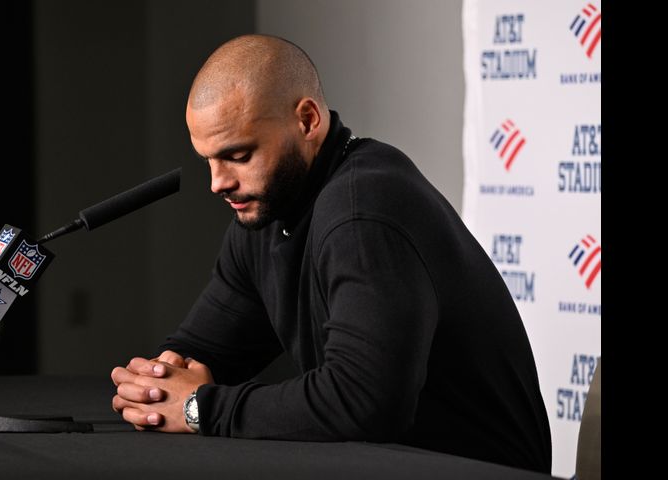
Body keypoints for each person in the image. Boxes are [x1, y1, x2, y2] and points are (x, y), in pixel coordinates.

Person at [110, 34, 552, 473]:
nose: (218, 182)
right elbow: (202, 349)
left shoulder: (364, 210)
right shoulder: (267, 213)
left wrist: (199, 408)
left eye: (239, 155)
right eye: (208, 160)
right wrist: (156, 385)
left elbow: (364, 401)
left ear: (307, 120)